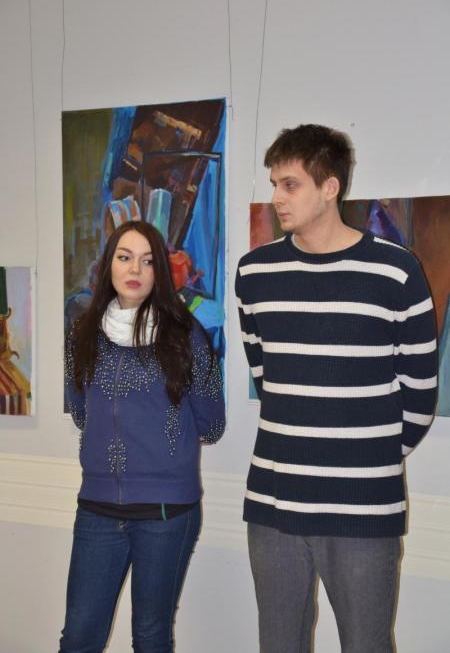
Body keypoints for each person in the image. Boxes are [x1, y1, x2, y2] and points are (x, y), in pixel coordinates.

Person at [235, 124, 438, 653]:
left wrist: (364, 457)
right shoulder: (254, 273)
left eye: (290, 184)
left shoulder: (396, 272)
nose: (277, 198)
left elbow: (420, 395)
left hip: (363, 509)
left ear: (330, 187)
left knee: (367, 645)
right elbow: (266, 376)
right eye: (274, 184)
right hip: (274, 505)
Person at [60, 220, 225, 653]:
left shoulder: (187, 336)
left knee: (151, 638)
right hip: (97, 508)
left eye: (148, 261)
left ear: (160, 273)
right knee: (78, 637)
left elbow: (212, 424)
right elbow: (81, 412)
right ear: (108, 265)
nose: (135, 269)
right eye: (125, 257)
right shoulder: (81, 335)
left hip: (167, 512)